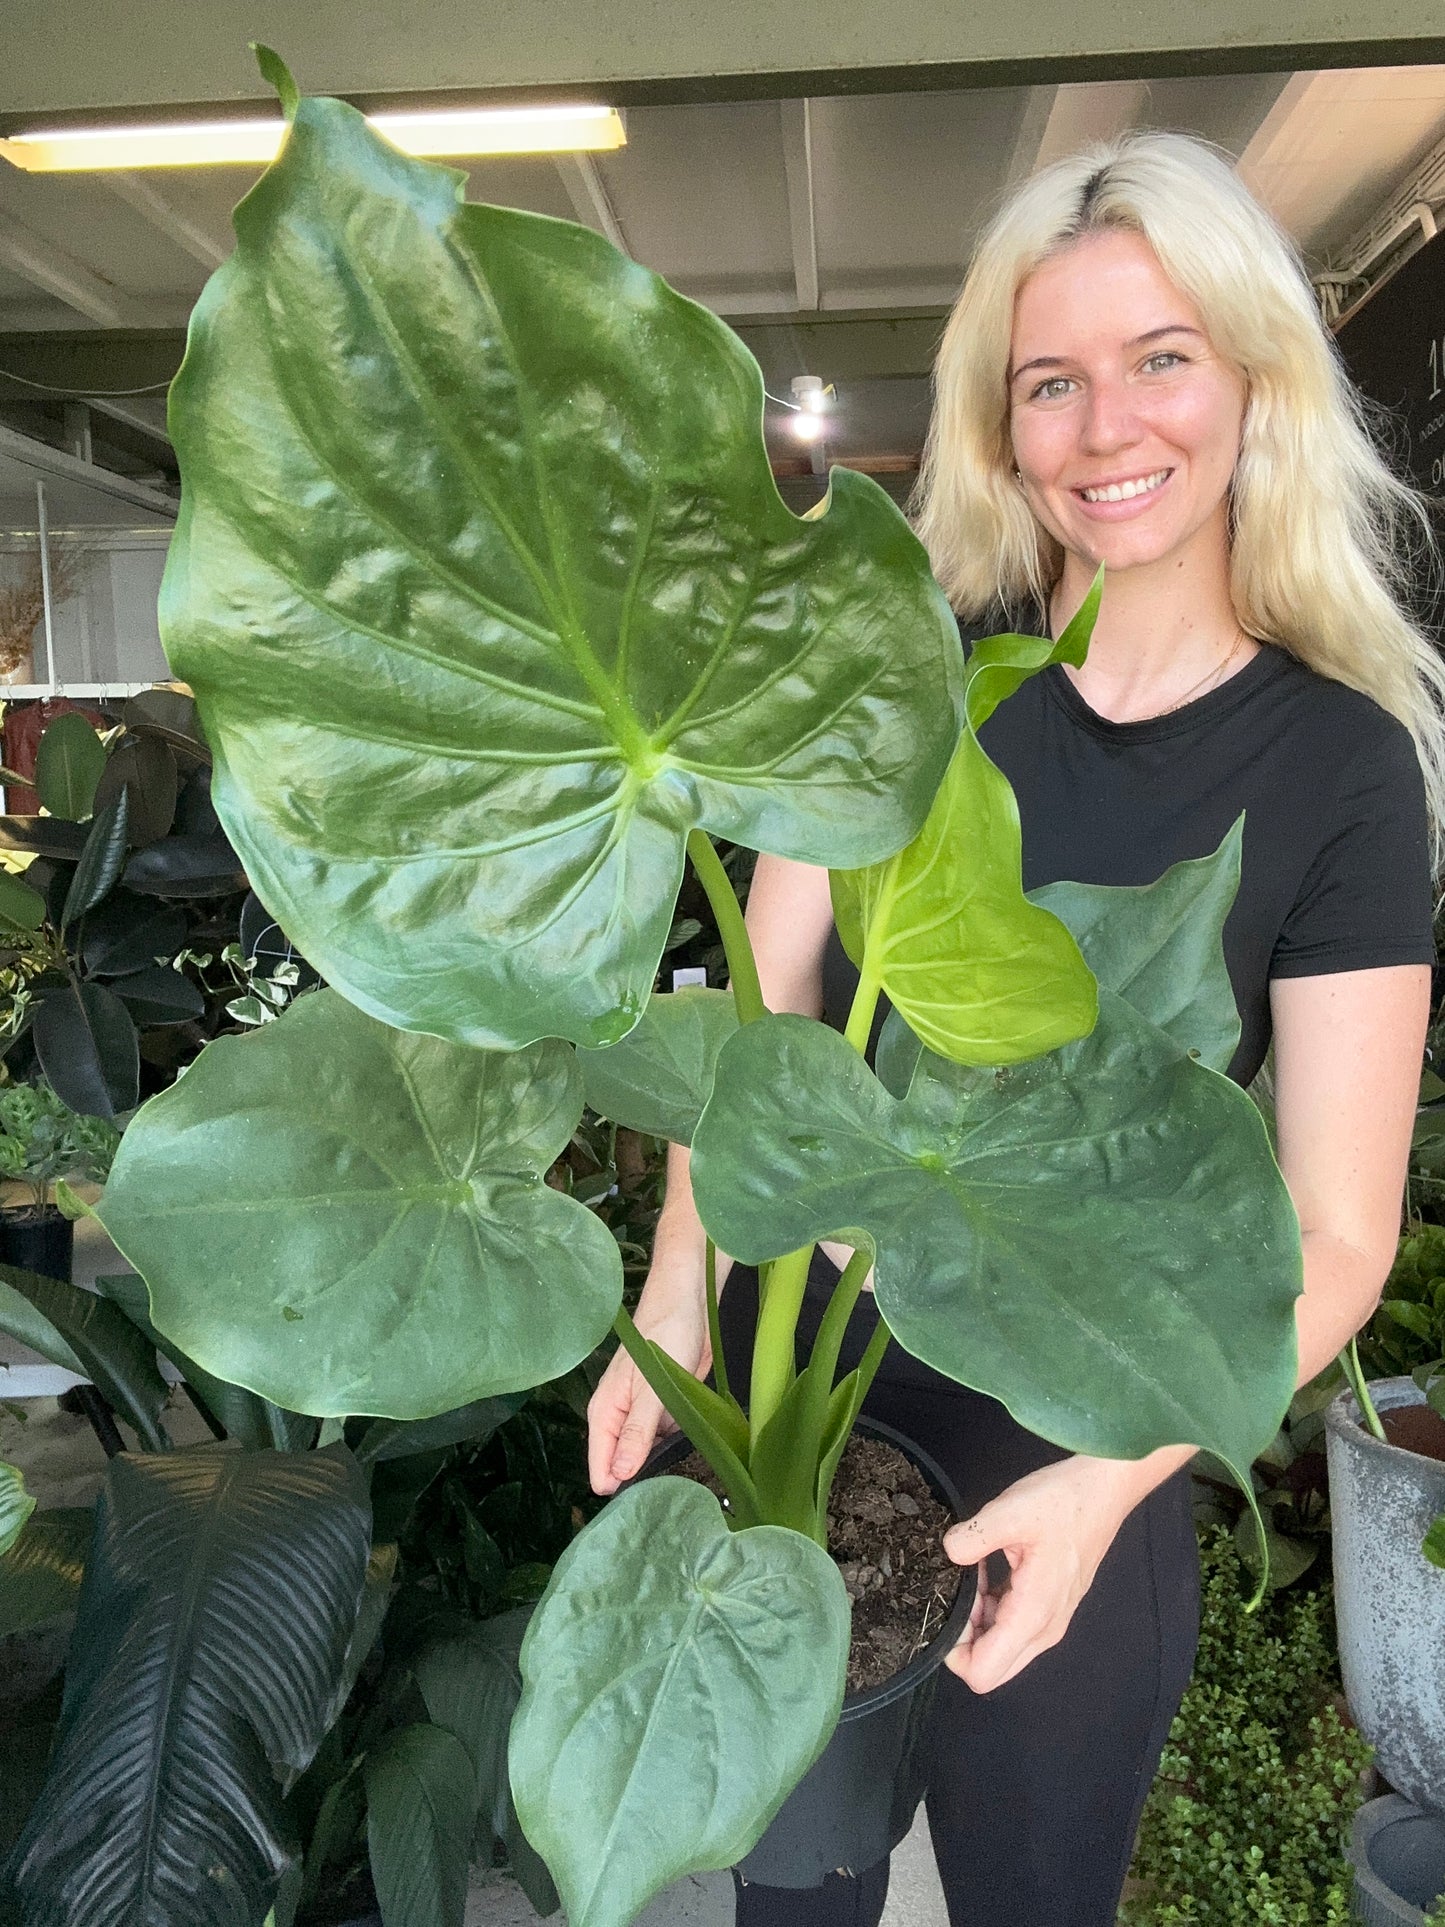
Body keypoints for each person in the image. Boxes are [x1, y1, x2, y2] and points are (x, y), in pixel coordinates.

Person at [587, 132, 1442, 1926]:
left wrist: (1108, 1485)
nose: (1105, 429)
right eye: (1051, 382)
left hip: (1074, 1433)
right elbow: (765, 1015)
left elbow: (1335, 1235)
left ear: (1252, 384)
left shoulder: (1341, 769)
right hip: (797, 1392)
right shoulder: (913, 667)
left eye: (1160, 360)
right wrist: (677, 1290)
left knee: (1030, 1896)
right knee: (790, 1894)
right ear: (998, 421)